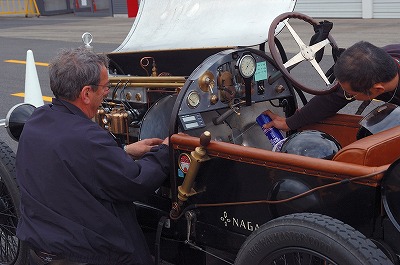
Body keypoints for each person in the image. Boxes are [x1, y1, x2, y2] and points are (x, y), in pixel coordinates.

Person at [16, 47, 170, 265]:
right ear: (86, 93)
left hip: (41, 245)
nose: (107, 92)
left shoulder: (37, 119)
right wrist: (165, 149)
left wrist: (124, 151)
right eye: (105, 87)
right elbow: (136, 182)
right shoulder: (88, 139)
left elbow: (74, 161)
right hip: (86, 254)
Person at [263, 41, 400, 131]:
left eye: (350, 94)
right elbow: (333, 97)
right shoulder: (373, 62)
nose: (345, 94)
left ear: (377, 89)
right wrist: (289, 123)